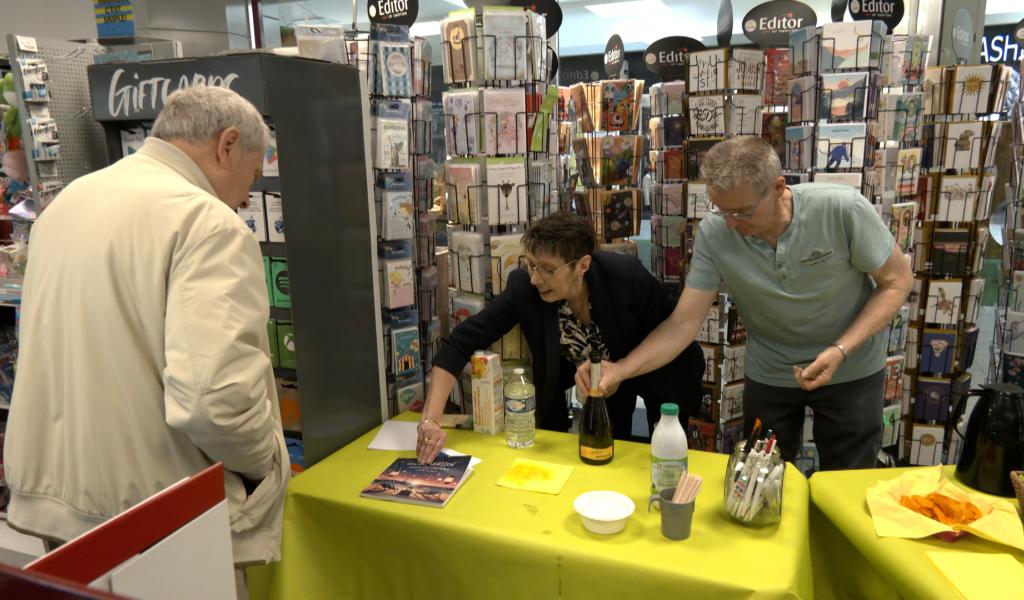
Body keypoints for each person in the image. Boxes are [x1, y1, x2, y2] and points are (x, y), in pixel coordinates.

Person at [3, 86, 290, 565]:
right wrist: (266, 466)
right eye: (253, 175)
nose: (245, 198)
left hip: (54, 502)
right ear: (227, 145)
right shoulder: (207, 224)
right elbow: (214, 399)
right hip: (157, 520)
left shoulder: (68, 204)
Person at [579, 137, 913, 470]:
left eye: (742, 212)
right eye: (720, 209)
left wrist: (841, 349)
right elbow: (682, 324)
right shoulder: (715, 233)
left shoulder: (842, 209)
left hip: (851, 367)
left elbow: (897, 282)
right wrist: (620, 370)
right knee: (759, 480)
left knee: (847, 480)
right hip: (770, 371)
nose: (731, 223)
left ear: (779, 187)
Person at [416, 211, 704, 463]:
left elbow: (671, 330)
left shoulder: (625, 278)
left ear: (583, 265)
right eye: (531, 265)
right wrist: (430, 420)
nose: (535, 278)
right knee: (608, 453)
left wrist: (622, 371)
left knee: (664, 457)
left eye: (548, 270)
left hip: (660, 374)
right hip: (604, 390)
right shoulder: (526, 291)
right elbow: (461, 341)